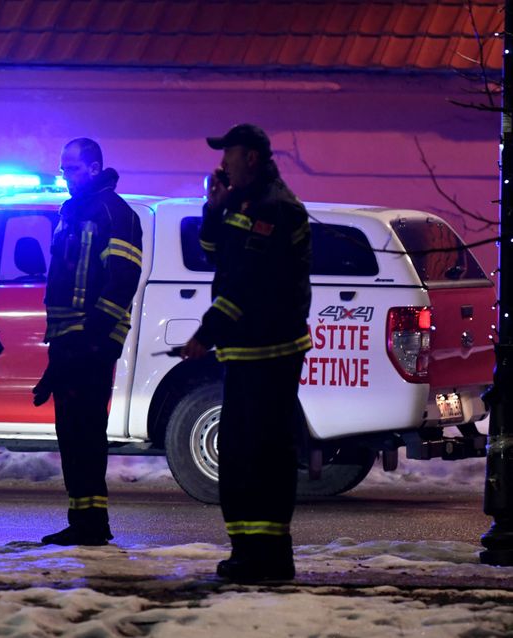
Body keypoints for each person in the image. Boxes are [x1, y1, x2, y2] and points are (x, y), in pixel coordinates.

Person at [180, 124, 312, 582]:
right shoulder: (243, 200)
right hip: (248, 349)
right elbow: (213, 254)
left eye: (230, 153)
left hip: (269, 350)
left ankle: (269, 557)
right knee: (240, 452)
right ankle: (249, 552)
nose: (224, 162)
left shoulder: (274, 207)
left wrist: (206, 333)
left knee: (261, 454)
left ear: (251, 157)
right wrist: (212, 209)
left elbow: (246, 283)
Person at [34, 138, 143, 546]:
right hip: (69, 341)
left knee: (86, 431)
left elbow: (121, 280)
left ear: (95, 168)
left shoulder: (116, 214)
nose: (65, 175)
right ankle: (82, 518)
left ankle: (93, 524)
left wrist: (94, 339)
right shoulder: (71, 213)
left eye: (73, 169)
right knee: (72, 433)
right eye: (63, 168)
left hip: (92, 341)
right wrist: (55, 362)